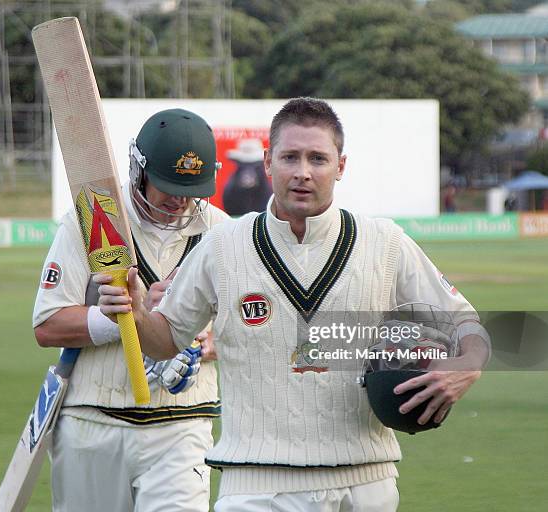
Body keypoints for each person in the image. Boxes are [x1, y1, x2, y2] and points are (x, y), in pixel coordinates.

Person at [97, 98, 490, 511]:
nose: (303, 172)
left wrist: (469, 364)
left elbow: (464, 322)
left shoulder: (385, 242)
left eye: (318, 158)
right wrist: (137, 313)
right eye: (290, 157)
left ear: (340, 166)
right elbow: (164, 342)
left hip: (365, 482)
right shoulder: (222, 245)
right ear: (268, 162)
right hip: (255, 484)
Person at [33, 108, 228, 512]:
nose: (180, 200)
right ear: (138, 170)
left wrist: (208, 342)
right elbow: (47, 327)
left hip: (182, 424)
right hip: (93, 422)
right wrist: (115, 318)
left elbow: (259, 325)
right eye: (168, 186)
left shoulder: (223, 233)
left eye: (191, 189)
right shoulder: (93, 218)